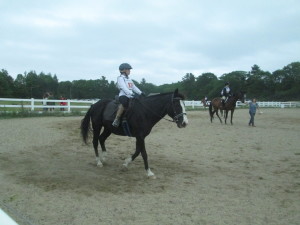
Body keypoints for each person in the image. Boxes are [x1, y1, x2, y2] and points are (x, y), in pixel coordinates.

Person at [112, 63, 145, 127]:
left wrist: (140, 93)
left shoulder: (129, 79)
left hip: (130, 95)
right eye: (128, 69)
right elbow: (124, 88)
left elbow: (134, 87)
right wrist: (132, 94)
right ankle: (116, 119)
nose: (129, 71)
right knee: (125, 103)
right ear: (123, 70)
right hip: (123, 96)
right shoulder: (120, 78)